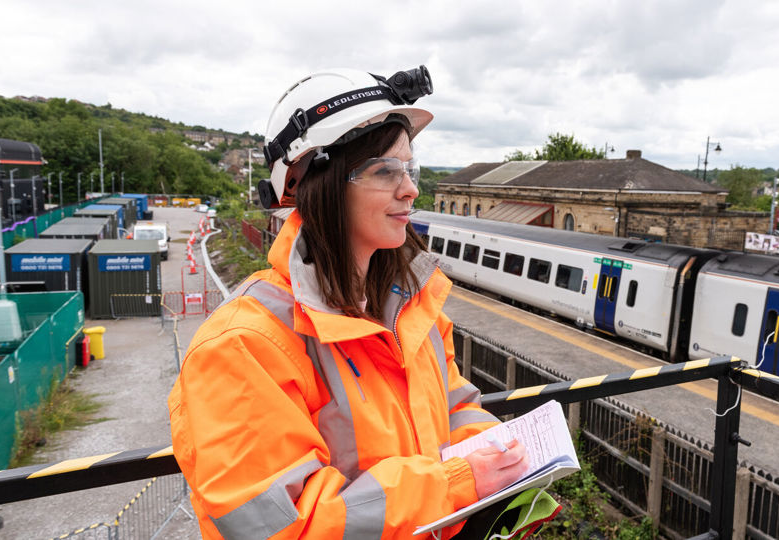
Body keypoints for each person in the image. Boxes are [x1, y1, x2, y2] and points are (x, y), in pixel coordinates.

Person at [168, 66, 530, 539]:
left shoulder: (413, 310)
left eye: (410, 169)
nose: (411, 189)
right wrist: (458, 482)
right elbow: (288, 527)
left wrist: (497, 453)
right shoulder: (242, 347)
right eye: (385, 171)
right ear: (322, 184)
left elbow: (453, 406)